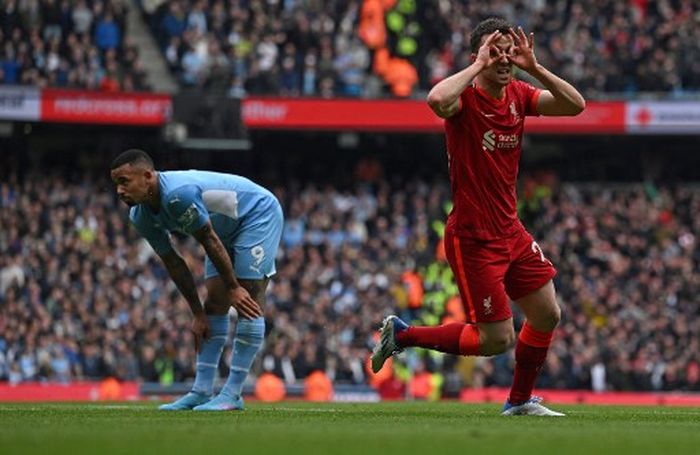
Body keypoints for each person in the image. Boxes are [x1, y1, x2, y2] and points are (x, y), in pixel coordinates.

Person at [371, 17, 585, 416]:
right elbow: (436, 100)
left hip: (511, 231)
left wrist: (535, 68)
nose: (504, 57)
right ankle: (404, 335)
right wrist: (477, 66)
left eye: (509, 50)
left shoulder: (520, 94)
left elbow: (576, 105)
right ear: (479, 55)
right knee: (496, 340)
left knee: (547, 314)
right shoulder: (464, 100)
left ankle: (519, 402)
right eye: (494, 49)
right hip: (473, 237)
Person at [110, 149, 283, 411]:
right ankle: (202, 391)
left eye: (124, 181)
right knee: (213, 306)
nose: (120, 191)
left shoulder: (178, 195)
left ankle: (233, 393)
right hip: (219, 232)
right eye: (116, 184)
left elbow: (208, 240)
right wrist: (197, 313)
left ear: (147, 176)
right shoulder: (140, 216)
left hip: (256, 214)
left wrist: (234, 287)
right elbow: (173, 262)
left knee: (247, 297)